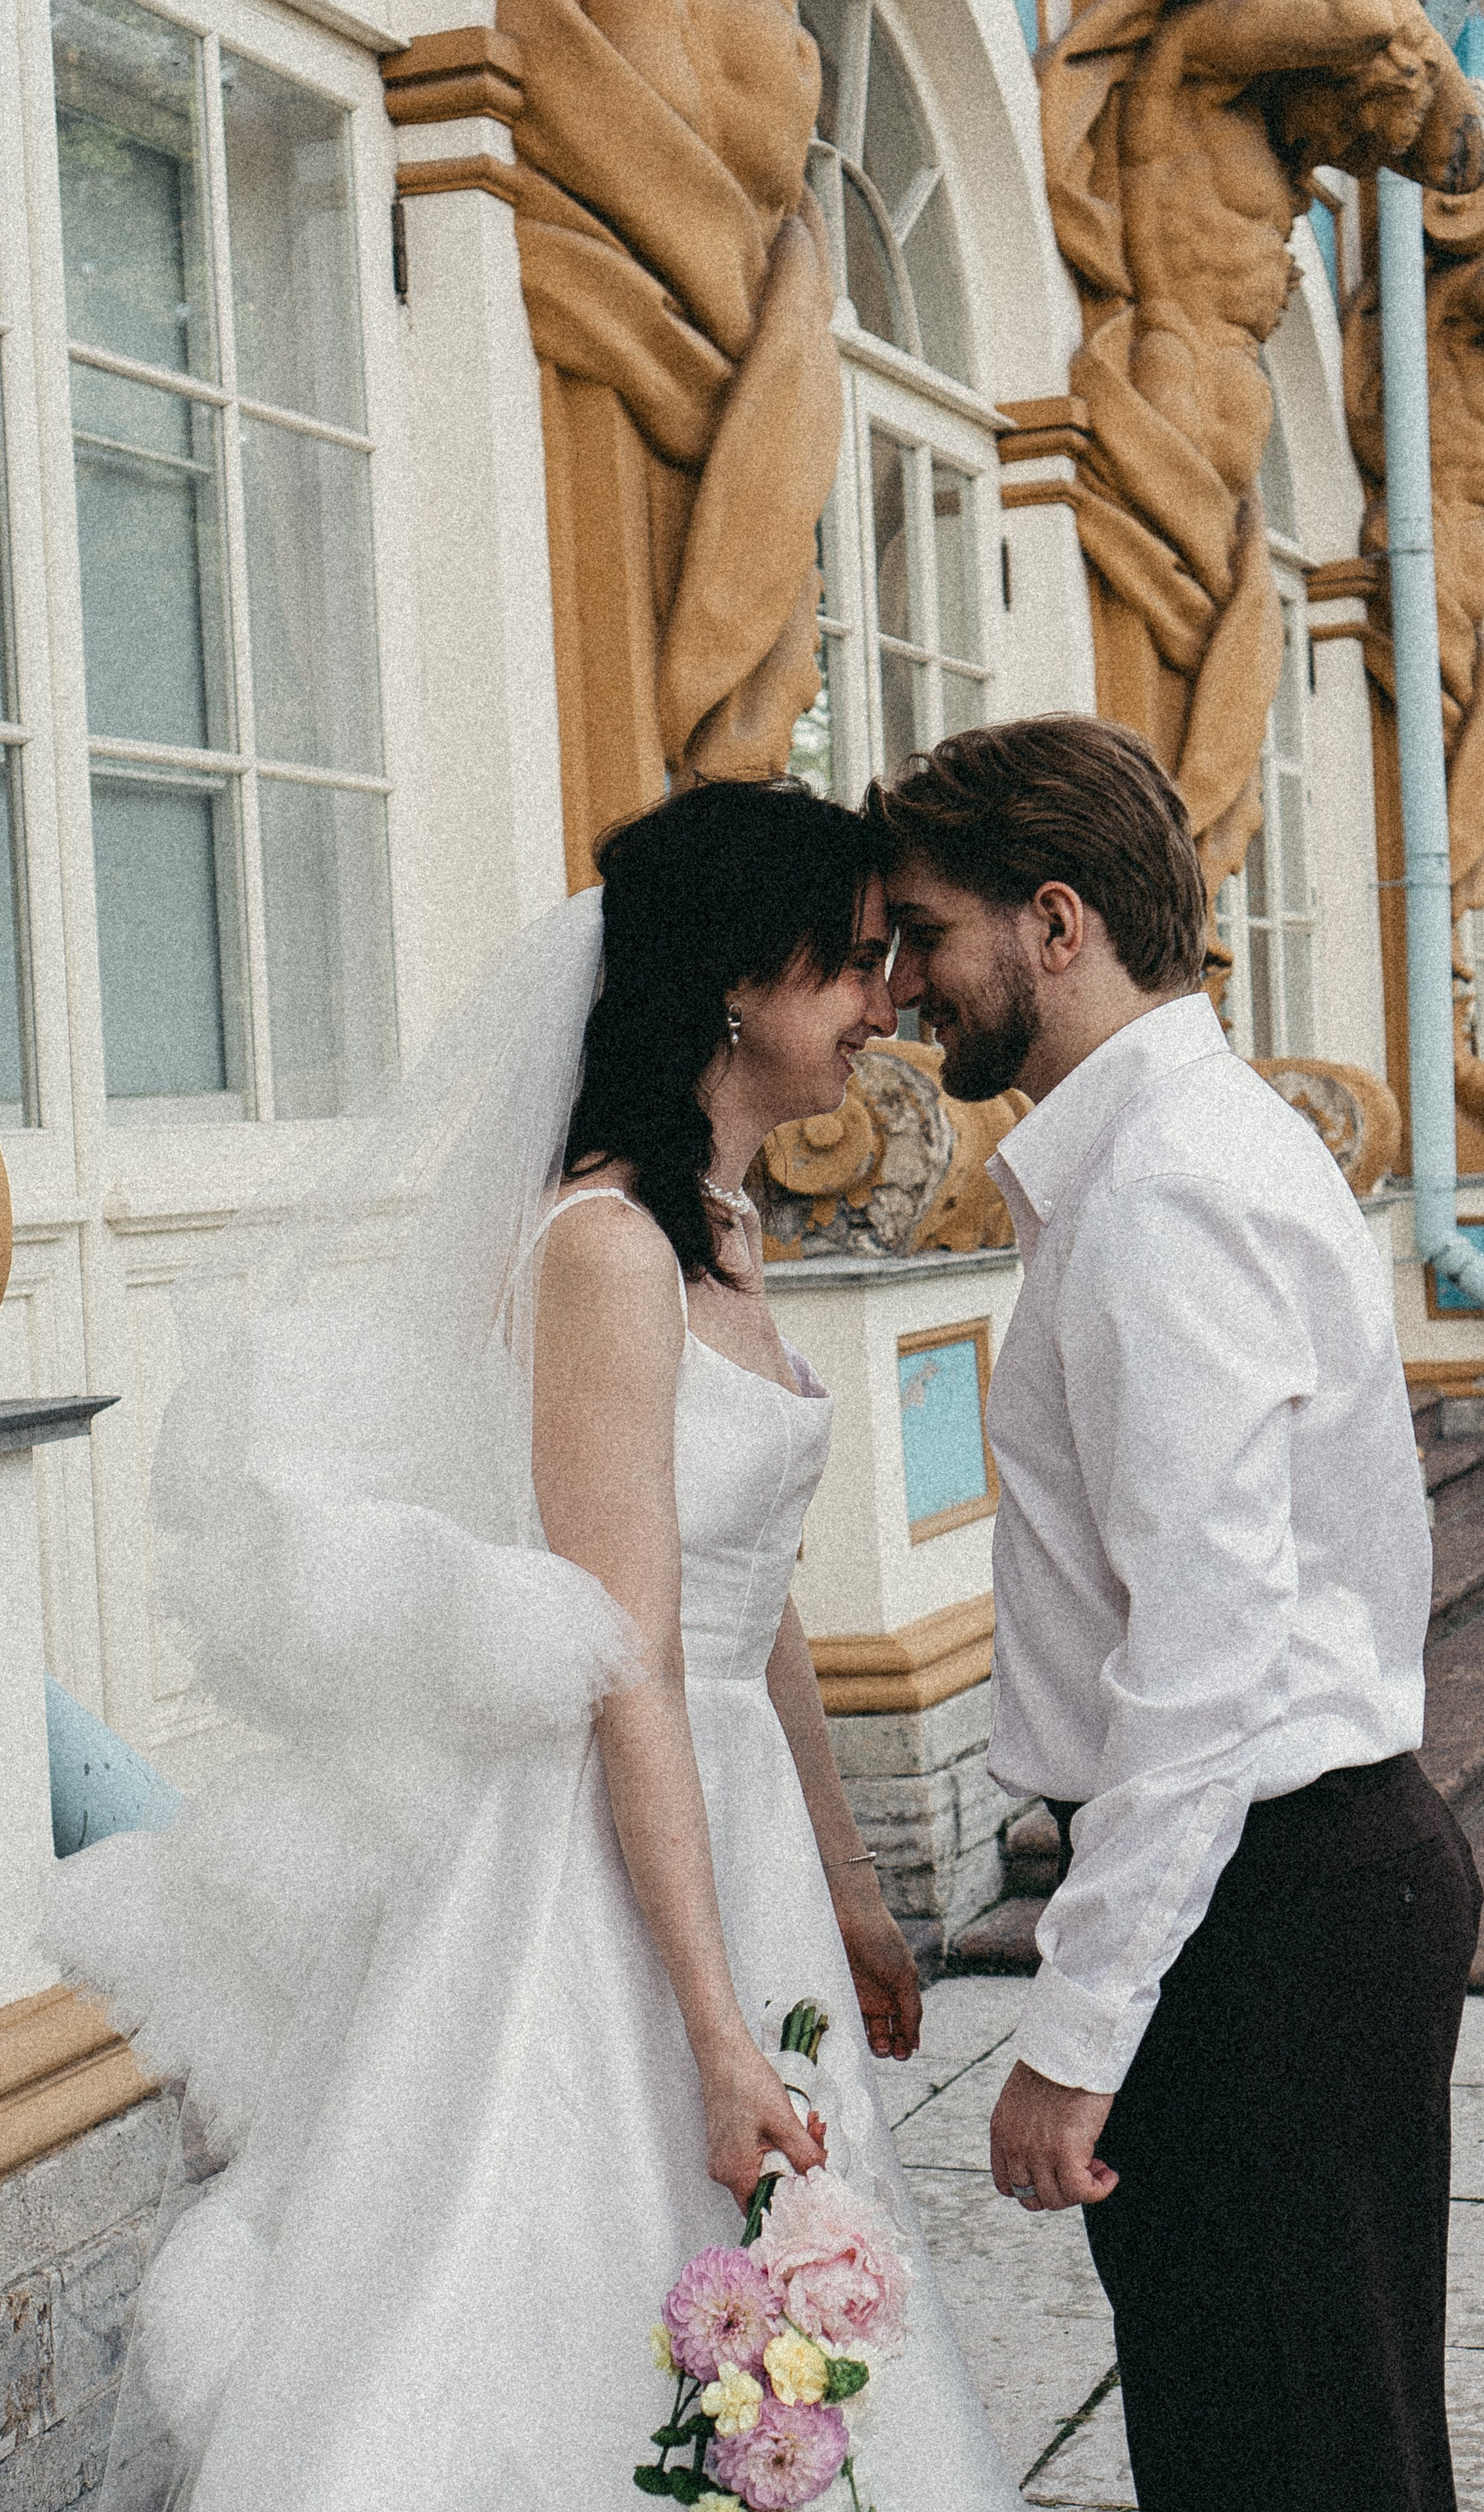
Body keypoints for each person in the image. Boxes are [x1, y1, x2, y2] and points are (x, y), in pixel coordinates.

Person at [42, 779, 1023, 2511]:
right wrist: (714, 2027)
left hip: (744, 1827)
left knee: (785, 2259)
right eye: (857, 968)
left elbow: (752, 1587)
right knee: (569, 2266)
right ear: (745, 980)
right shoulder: (604, 1247)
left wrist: (854, 1882)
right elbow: (621, 1651)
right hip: (598, 1849)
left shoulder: (723, 1228)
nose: (884, 1006)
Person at [870, 716, 1482, 2512]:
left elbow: (1205, 1660)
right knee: (1304, 2442)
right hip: (1288, 1884)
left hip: (1266, 1907)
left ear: (1053, 924)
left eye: (926, 932)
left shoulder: (1163, 1194)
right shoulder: (1181, 1151)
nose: (904, 986)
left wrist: (1075, 2039)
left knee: (1287, 2454)